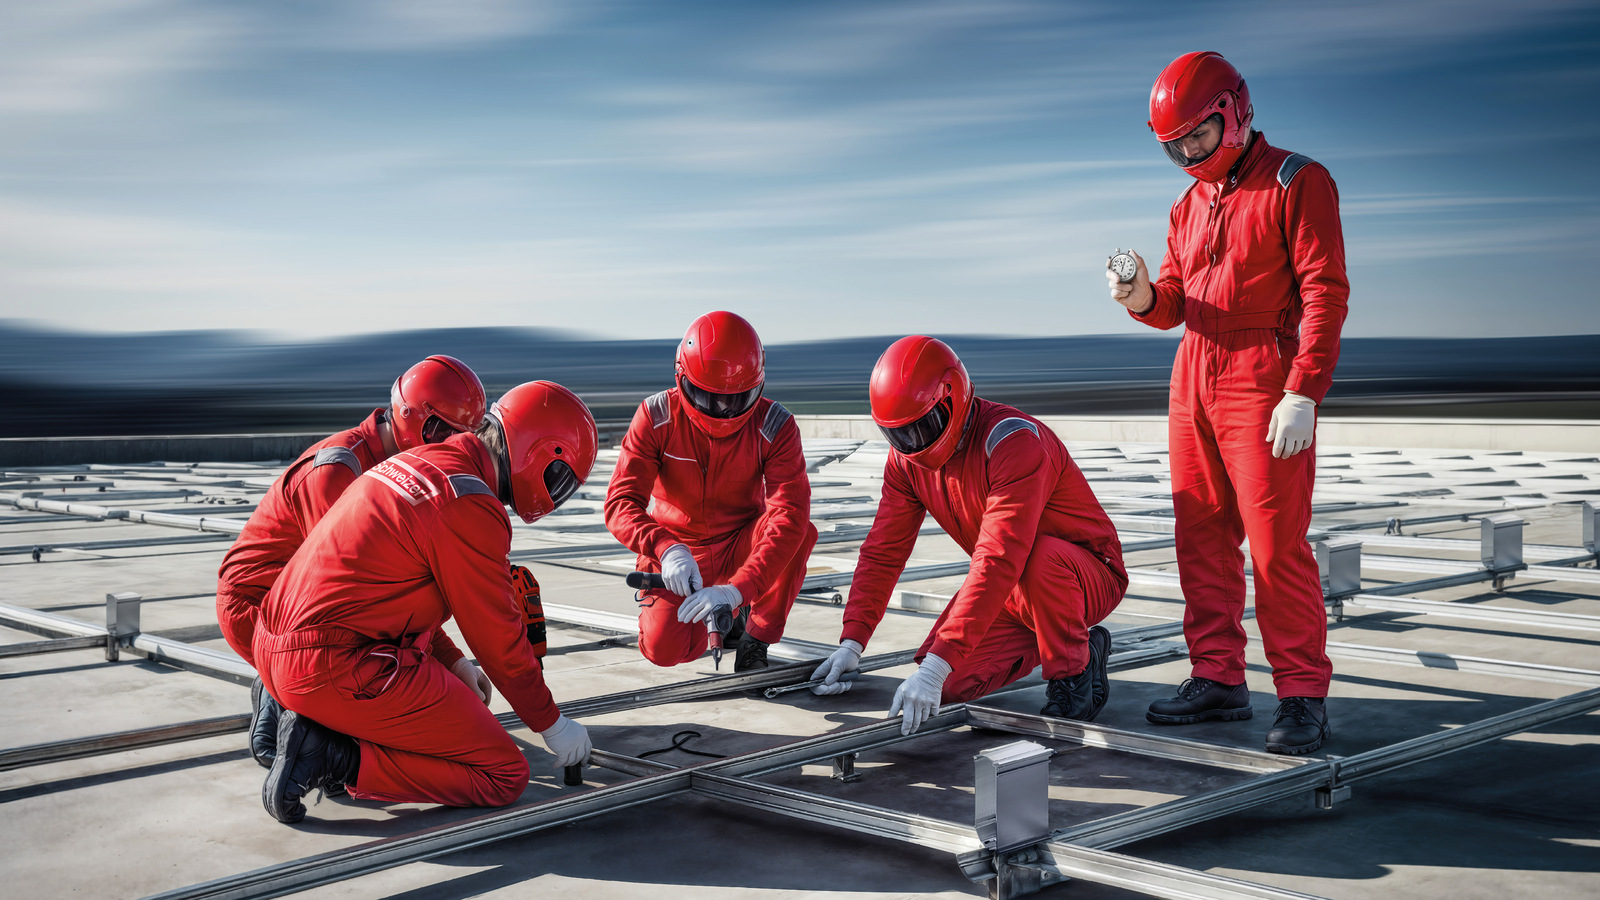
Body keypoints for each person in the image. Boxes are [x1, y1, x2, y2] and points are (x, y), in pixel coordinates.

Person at [1109, 51, 1349, 754]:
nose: (1189, 153)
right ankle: (1218, 676)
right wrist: (1141, 297)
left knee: (1276, 546)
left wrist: (1303, 389)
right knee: (1201, 537)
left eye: (1198, 136)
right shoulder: (1186, 206)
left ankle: (1301, 694)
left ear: (1233, 112)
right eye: (1174, 145)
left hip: (1262, 373)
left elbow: (1324, 292)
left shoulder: (1297, 181)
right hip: (1194, 371)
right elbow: (1176, 304)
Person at [255, 381, 598, 823]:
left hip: (276, 650)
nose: (556, 493)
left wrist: (454, 664)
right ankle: (331, 755)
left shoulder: (415, 462)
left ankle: (318, 728)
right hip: (330, 667)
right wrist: (552, 724)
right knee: (504, 774)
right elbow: (500, 641)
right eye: (561, 480)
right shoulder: (468, 502)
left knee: (456, 709)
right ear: (541, 454)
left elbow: (383, 592)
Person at [810, 337, 1127, 734]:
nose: (912, 444)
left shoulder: (1013, 442)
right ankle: (1063, 640)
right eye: (899, 435)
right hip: (1013, 588)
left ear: (951, 399)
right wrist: (852, 642)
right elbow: (883, 551)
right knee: (945, 686)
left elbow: (999, 554)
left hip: (1084, 576)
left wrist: (940, 660)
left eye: (921, 428)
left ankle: (1073, 676)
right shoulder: (906, 462)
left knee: (1037, 557)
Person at [216, 355, 487, 769]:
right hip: (257, 608)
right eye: (442, 434)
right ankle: (284, 703)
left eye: (463, 438)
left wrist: (454, 662)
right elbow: (358, 598)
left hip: (289, 610)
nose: (450, 449)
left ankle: (287, 696)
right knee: (377, 704)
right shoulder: (339, 471)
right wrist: (448, 661)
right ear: (412, 417)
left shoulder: (394, 470)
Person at [604, 311, 817, 672]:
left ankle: (755, 637)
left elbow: (790, 513)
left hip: (739, 546)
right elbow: (620, 503)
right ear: (681, 377)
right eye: (708, 397)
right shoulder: (656, 417)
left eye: (737, 399)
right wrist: (665, 548)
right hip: (677, 553)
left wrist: (738, 588)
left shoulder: (775, 426)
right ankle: (732, 611)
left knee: (799, 532)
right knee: (666, 651)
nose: (722, 411)